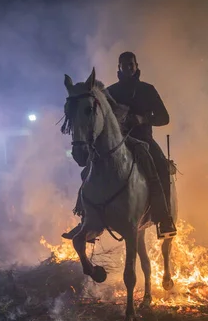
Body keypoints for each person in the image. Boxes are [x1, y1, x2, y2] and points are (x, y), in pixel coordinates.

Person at [63, 51, 177, 241]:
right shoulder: (111, 92)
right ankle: (87, 219)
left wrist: (142, 118)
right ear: (119, 67)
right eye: (124, 65)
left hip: (143, 140)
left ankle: (164, 218)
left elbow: (164, 118)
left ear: (136, 65)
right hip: (116, 141)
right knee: (88, 171)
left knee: (161, 167)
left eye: (131, 64)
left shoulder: (147, 90)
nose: (128, 68)